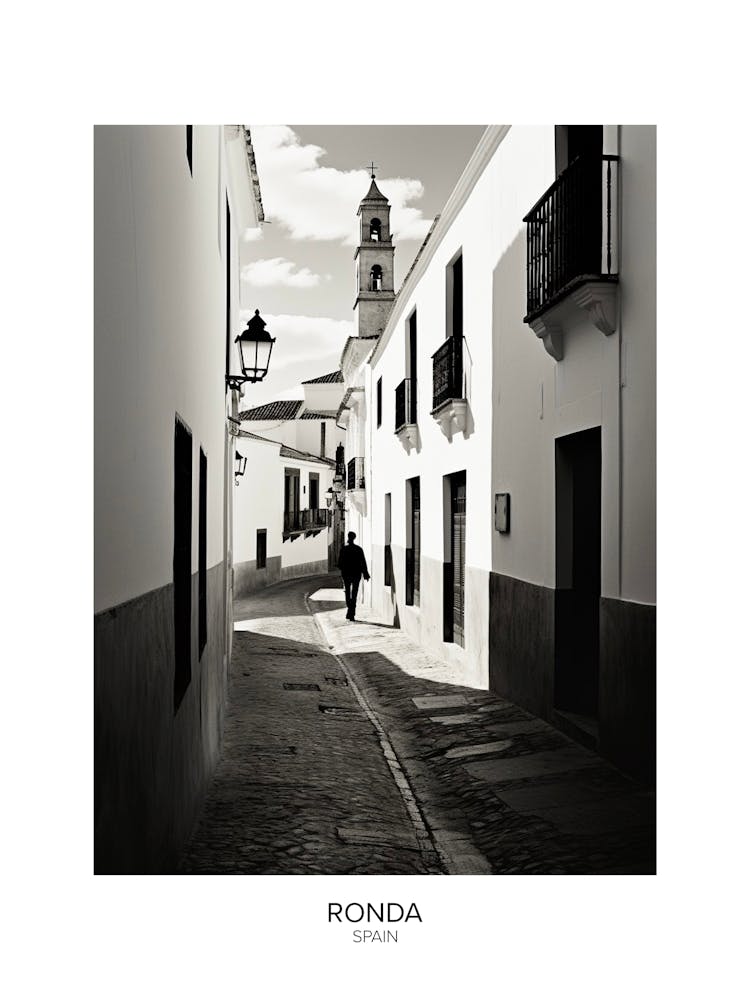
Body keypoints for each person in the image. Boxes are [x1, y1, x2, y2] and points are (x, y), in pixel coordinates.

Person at [338, 530, 370, 621]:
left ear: (348, 537)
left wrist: (343, 568)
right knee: (354, 593)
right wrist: (366, 574)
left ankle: (350, 610)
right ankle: (352, 612)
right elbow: (363, 562)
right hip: (356, 574)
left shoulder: (344, 549)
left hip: (346, 574)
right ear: (354, 538)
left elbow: (340, 563)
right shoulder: (359, 549)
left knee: (347, 592)